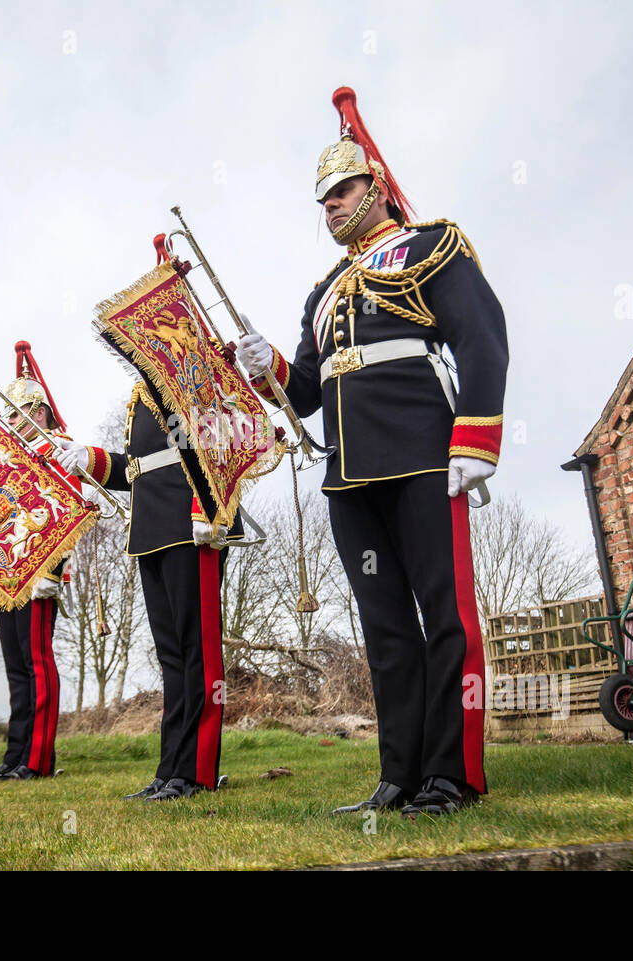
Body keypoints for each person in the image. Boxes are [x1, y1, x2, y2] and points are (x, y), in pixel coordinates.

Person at [235, 87, 509, 817]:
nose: (329, 206)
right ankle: (401, 775)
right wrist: (262, 369)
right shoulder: (322, 294)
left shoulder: (432, 245)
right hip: (348, 478)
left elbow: (481, 335)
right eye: (321, 199)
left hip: (425, 456)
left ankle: (453, 776)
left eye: (341, 190)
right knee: (385, 627)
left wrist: (477, 436)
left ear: (377, 185)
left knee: (445, 616)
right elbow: (304, 394)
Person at [55, 375, 241, 801]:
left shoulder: (193, 369)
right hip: (152, 527)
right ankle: (170, 767)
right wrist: (91, 457)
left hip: (191, 523)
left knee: (198, 650)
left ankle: (197, 769)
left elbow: (221, 441)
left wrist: (207, 510)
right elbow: (139, 468)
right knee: (171, 655)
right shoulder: (144, 389)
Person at [0, 342, 75, 781]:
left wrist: (51, 572)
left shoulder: (59, 449)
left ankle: (38, 758)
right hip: (6, 571)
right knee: (16, 666)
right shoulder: (7, 458)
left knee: (37, 661)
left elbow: (66, 513)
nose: (9, 421)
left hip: (38, 574)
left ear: (39, 410)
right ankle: (15, 755)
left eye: (16, 414)